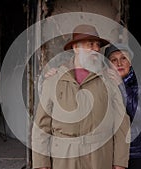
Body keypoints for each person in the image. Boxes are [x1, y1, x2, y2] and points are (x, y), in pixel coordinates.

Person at [32, 24, 130, 169]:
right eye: (90, 44)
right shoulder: (54, 80)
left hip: (100, 157)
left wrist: (120, 162)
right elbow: (41, 127)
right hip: (64, 158)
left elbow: (121, 124)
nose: (96, 49)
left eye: (98, 45)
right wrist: (41, 164)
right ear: (76, 48)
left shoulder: (109, 81)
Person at [105, 44, 141, 169]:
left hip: (136, 151)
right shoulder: (103, 82)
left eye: (123, 58)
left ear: (130, 62)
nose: (119, 63)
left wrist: (122, 87)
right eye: (114, 60)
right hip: (111, 150)